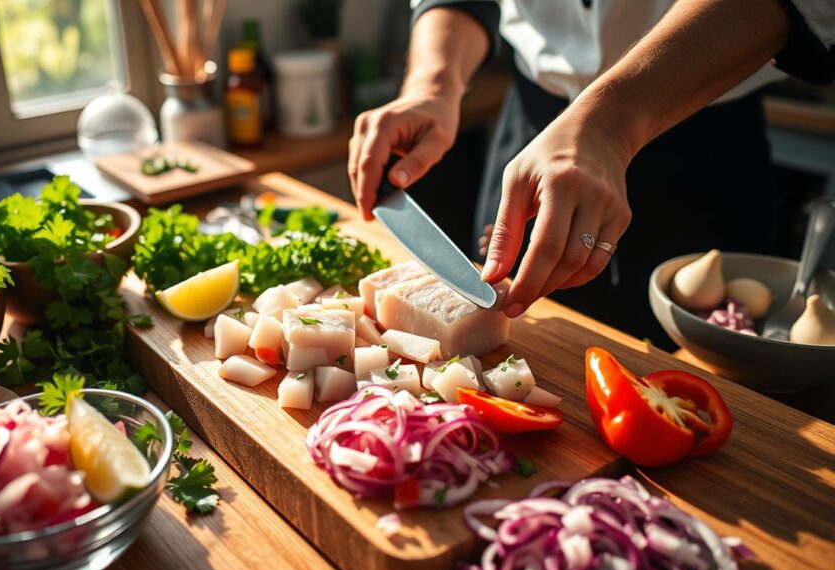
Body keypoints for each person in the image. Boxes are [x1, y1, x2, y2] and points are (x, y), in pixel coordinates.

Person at [348, 0, 834, 341]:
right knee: (520, 336)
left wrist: (612, 120)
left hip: (699, 150)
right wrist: (434, 82)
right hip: (532, 144)